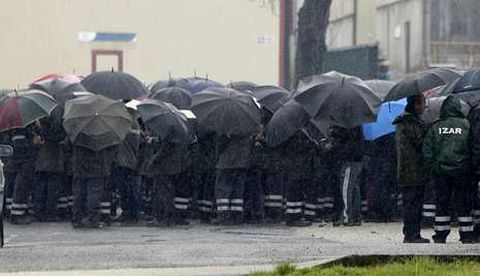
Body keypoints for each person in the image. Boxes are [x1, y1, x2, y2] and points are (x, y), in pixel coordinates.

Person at [423, 96, 475, 243]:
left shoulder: (435, 126)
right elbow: (473, 146)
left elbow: (427, 150)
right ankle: (466, 234)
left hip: (441, 172)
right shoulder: (466, 125)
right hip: (462, 171)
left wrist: (433, 167)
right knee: (463, 203)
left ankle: (440, 234)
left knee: (442, 203)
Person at [393, 94, 430, 243]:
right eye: (423, 104)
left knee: (411, 203)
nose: (425, 107)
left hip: (408, 170)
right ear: (415, 105)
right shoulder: (410, 123)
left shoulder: (406, 122)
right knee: (413, 203)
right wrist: (428, 130)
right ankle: (412, 234)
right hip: (413, 170)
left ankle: (412, 232)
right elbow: (420, 143)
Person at [71, 145, 116, 229]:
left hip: (80, 166)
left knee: (79, 194)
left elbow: (68, 145)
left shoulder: (78, 134)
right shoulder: (102, 136)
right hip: (97, 167)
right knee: (94, 194)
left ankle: (77, 218)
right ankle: (93, 219)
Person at [213, 134, 253, 225]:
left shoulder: (225, 129)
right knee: (238, 190)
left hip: (226, 163)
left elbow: (220, 145)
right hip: (242, 162)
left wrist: (217, 158)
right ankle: (237, 215)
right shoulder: (247, 128)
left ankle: (223, 215)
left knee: (223, 190)